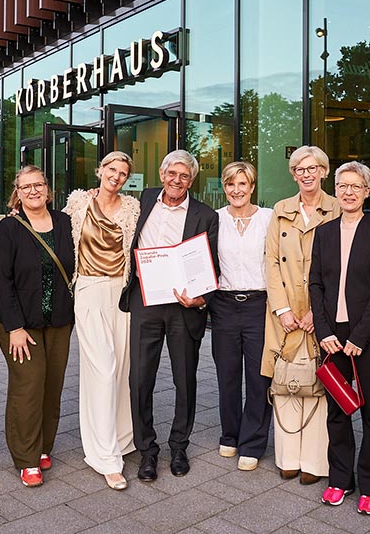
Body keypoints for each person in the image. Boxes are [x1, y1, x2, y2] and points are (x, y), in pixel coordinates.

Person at [119, 149, 219, 482]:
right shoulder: (143, 201)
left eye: (184, 176)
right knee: (139, 380)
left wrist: (201, 298)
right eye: (172, 173)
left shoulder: (206, 215)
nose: (177, 180)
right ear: (162, 175)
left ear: (192, 180)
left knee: (184, 380)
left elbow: (213, 263)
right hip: (145, 301)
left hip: (183, 306)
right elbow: (110, 204)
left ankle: (179, 446)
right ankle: (147, 450)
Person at [309, 161, 370, 516]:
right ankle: (341, 479)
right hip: (332, 336)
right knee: (337, 411)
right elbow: (315, 284)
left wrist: (360, 336)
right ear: (336, 189)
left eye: (356, 186)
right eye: (343, 185)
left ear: (367, 191)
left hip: (366, 337)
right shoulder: (324, 232)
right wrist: (324, 331)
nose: (349, 192)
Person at [0, 165, 75, 488]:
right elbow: (2, 281)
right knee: (28, 387)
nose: (33, 191)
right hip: (21, 325)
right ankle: (26, 458)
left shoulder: (65, 222)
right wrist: (14, 327)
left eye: (38, 184)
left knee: (52, 387)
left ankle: (43, 446)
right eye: (25, 187)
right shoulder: (9, 228)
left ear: (47, 188)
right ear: (17, 193)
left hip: (58, 321)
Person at [261, 145, 339, 485]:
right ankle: (288, 457)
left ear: (323, 171)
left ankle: (314, 461)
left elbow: (340, 266)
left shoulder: (337, 208)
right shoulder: (281, 209)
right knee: (286, 380)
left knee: (319, 380)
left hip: (321, 310)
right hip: (285, 313)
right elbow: (270, 261)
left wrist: (316, 313)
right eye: (300, 169)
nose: (307, 174)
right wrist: (282, 309)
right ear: (293, 175)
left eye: (313, 168)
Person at [62, 151, 140, 490]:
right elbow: (52, 230)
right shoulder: (78, 204)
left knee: (121, 369)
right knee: (103, 370)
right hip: (89, 289)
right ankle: (104, 457)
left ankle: (121, 439)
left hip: (121, 292)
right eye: (111, 169)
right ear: (100, 170)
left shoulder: (133, 208)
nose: (116, 176)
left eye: (123, 173)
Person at [209, 161, 274, 472]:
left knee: (259, 378)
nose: (237, 190)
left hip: (259, 304)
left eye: (243, 184)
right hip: (223, 304)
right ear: (225, 187)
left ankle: (252, 442)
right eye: (231, 184)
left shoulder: (268, 218)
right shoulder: (215, 219)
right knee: (228, 375)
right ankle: (230, 435)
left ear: (252, 187)